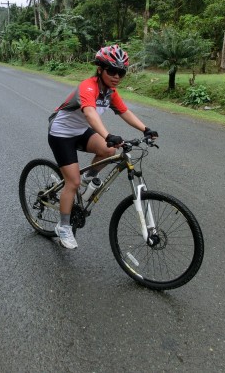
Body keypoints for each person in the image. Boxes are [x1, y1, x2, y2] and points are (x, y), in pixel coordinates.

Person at [48, 45, 158, 249]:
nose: (116, 76)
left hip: (80, 131)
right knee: (72, 182)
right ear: (100, 69)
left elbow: (125, 112)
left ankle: (87, 180)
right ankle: (63, 227)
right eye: (111, 70)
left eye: (121, 72)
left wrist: (146, 129)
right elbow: (90, 113)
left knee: (109, 150)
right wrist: (107, 135)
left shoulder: (110, 92)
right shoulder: (88, 87)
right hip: (61, 133)